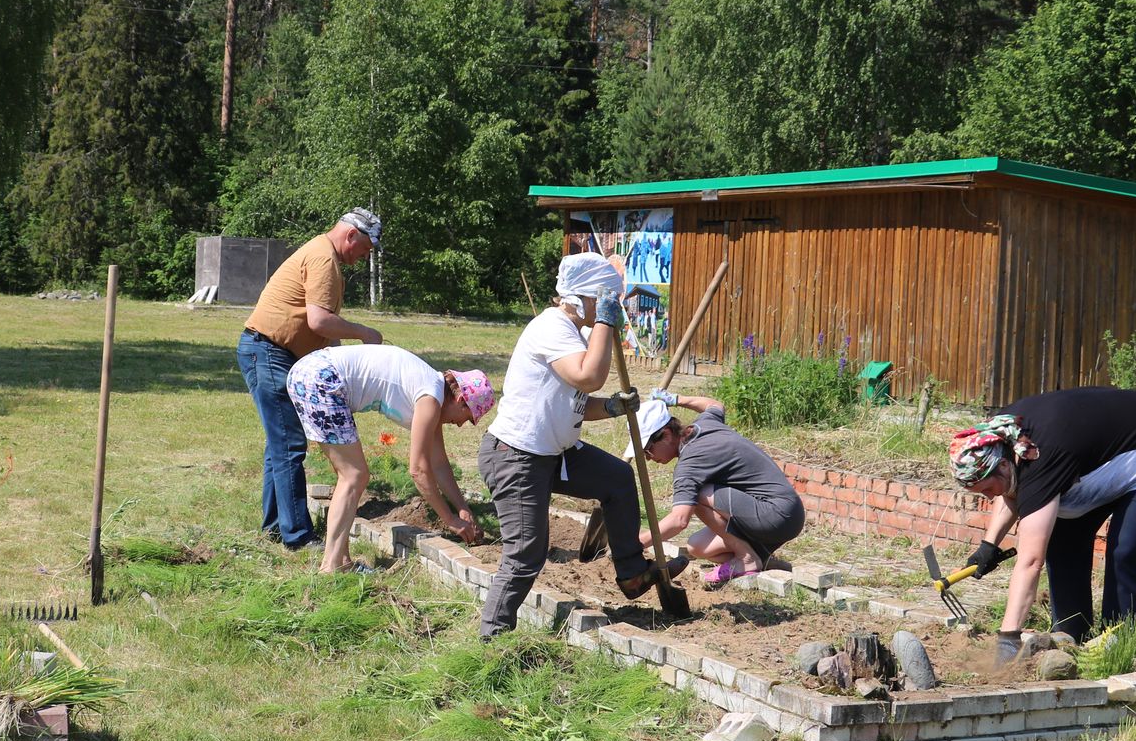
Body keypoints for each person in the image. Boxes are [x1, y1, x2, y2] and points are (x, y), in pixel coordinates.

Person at [477, 253, 688, 637]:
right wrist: (606, 320)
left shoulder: (572, 333)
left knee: (618, 479)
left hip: (554, 454)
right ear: (587, 296)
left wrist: (610, 407)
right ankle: (494, 638)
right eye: (607, 299)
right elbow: (588, 376)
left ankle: (632, 573)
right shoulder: (551, 327)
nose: (613, 307)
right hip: (516, 456)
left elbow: (572, 401)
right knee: (526, 553)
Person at [948, 386, 1136, 659]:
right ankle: (1071, 637)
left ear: (1003, 466)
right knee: (1063, 541)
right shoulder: (1002, 438)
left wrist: (1008, 637)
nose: (988, 497)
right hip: (1100, 457)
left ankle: (1121, 645)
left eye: (986, 489)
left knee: (1124, 549)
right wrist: (988, 545)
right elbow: (1012, 489)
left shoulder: (1040, 456)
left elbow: (1030, 561)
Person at [237, 210, 383, 552]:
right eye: (365, 249)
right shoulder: (323, 259)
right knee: (289, 445)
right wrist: (365, 333)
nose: (363, 258)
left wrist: (339, 375)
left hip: (270, 351)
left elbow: (324, 333)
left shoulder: (322, 253)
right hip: (269, 352)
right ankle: (298, 537)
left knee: (280, 445)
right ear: (351, 236)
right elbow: (319, 321)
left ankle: (276, 526)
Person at [286, 344, 495, 574]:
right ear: (461, 400)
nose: (460, 424)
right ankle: (332, 566)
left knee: (349, 476)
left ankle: (341, 560)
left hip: (312, 372)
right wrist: (450, 519)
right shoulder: (430, 399)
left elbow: (439, 464)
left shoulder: (432, 393)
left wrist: (462, 508)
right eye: (468, 417)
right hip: (322, 379)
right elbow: (418, 471)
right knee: (354, 476)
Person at [634, 395, 806, 586]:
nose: (648, 458)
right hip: (785, 514)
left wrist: (636, 544)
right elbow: (715, 405)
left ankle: (746, 558)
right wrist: (675, 399)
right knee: (697, 547)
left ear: (666, 434)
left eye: (647, 450)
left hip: (776, 513)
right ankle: (758, 556)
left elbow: (679, 520)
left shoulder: (689, 464)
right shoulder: (704, 424)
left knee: (697, 494)